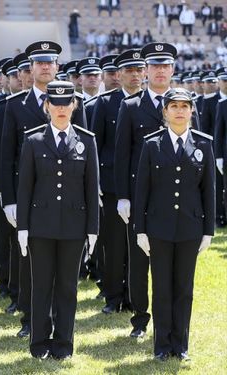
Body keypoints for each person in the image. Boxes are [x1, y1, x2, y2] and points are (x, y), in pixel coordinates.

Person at [0, 41, 87, 339]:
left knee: (62, 273)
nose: (45, 67)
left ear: (57, 67)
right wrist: (9, 199)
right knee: (30, 264)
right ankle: (31, 319)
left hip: (66, 200)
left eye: (50, 62)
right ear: (30, 68)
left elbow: (84, 148)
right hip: (30, 200)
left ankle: (59, 323)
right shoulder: (15, 104)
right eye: (39, 63)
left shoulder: (75, 102)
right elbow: (5, 154)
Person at [16, 80, 99, 360]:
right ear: (47, 106)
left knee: (67, 287)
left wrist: (92, 229)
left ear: (74, 106)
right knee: (41, 285)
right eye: (56, 103)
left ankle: (63, 344)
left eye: (67, 103)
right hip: (41, 226)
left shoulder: (86, 141)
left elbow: (91, 187)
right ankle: (39, 342)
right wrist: (23, 227)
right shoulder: (34, 140)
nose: (61, 108)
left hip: (74, 227)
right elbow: (25, 188)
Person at [114, 42, 191, 339]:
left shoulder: (184, 103)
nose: (160, 71)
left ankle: (170, 318)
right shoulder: (131, 106)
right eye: (155, 66)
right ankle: (140, 317)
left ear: (172, 69)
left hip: (175, 199)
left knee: (173, 262)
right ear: (147, 71)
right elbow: (122, 155)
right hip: (140, 196)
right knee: (139, 260)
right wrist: (123, 195)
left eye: (165, 66)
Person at [133, 88, 214, 361]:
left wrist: (208, 231)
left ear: (192, 111)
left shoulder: (203, 144)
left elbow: (209, 191)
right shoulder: (152, 144)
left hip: (190, 228)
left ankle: (180, 346)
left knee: (184, 289)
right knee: (162, 289)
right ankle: (161, 345)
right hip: (159, 228)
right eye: (174, 106)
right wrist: (140, 229)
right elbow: (142, 190)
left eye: (184, 106)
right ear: (165, 111)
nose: (179, 111)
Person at [91, 49, 145, 314]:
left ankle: (136, 297)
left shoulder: (153, 102)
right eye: (128, 71)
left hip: (145, 185)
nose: (134, 76)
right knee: (113, 243)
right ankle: (113, 297)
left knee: (139, 244)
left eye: (138, 70)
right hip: (113, 184)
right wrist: (97, 182)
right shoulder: (105, 102)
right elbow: (96, 145)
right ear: (119, 74)